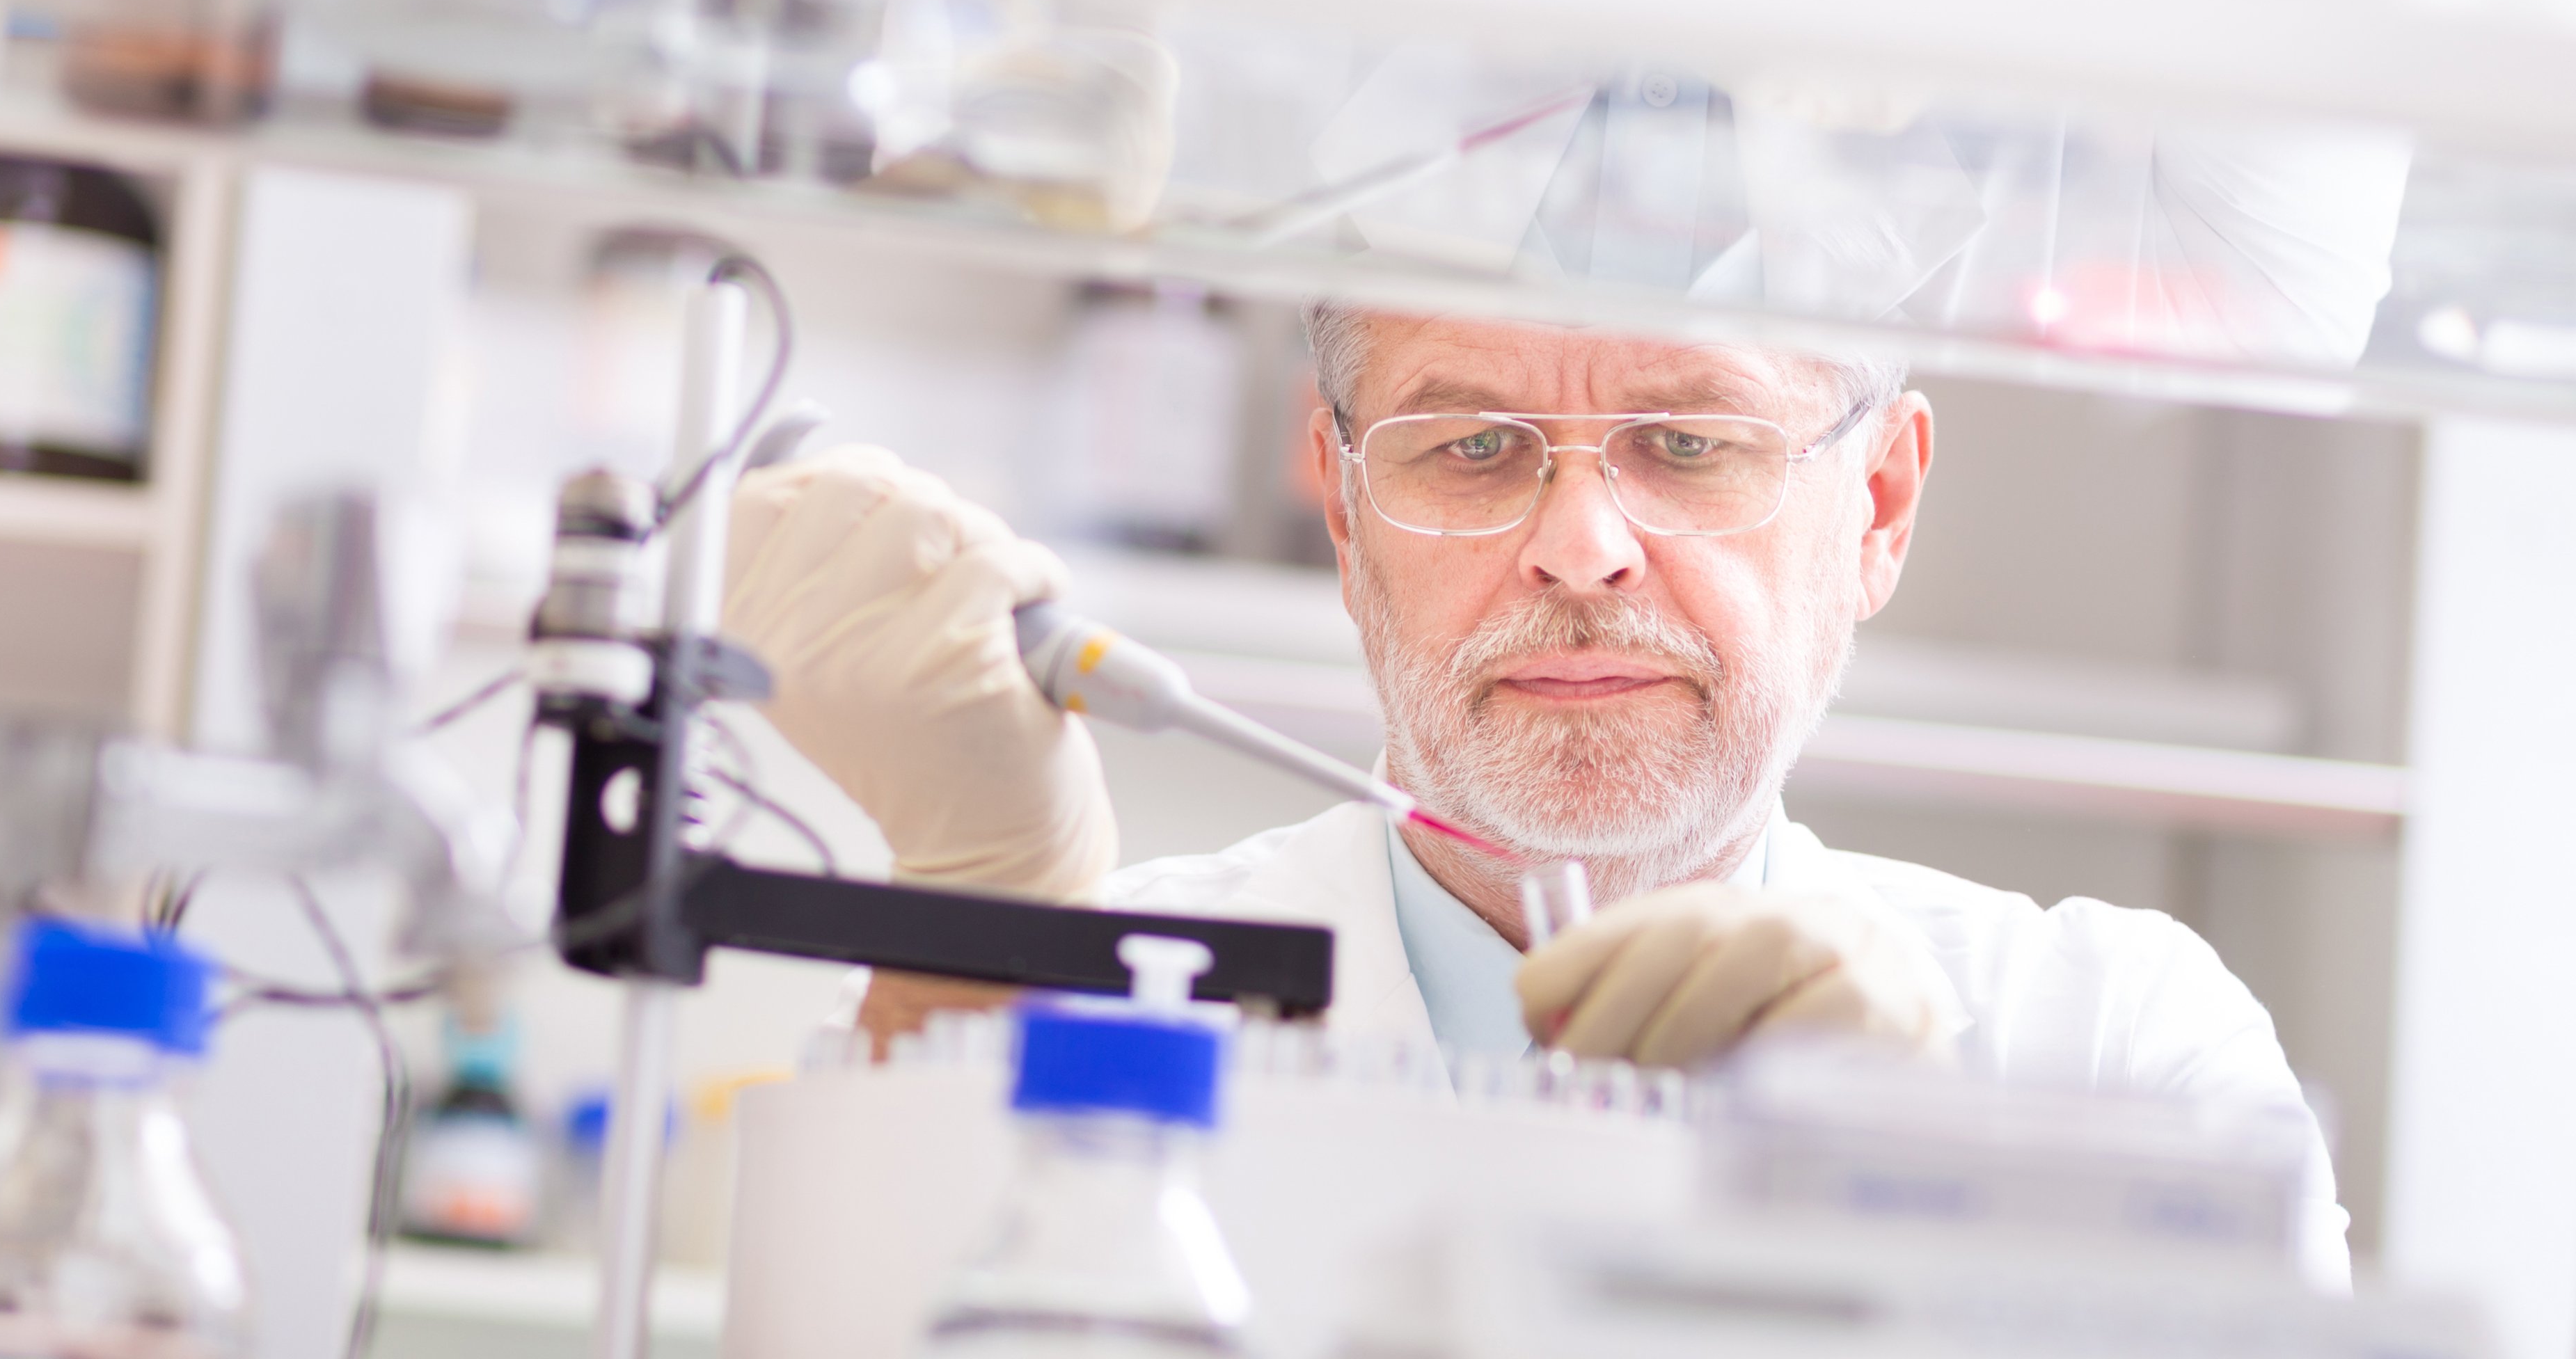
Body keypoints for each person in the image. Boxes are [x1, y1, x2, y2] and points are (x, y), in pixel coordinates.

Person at [722, 303, 2348, 1280]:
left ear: (1881, 502)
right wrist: (973, 920)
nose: (1581, 546)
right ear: (1348, 526)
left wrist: (1909, 1185)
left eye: (1690, 442)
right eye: (1475, 447)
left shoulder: (2115, 1047)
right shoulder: (1065, 983)